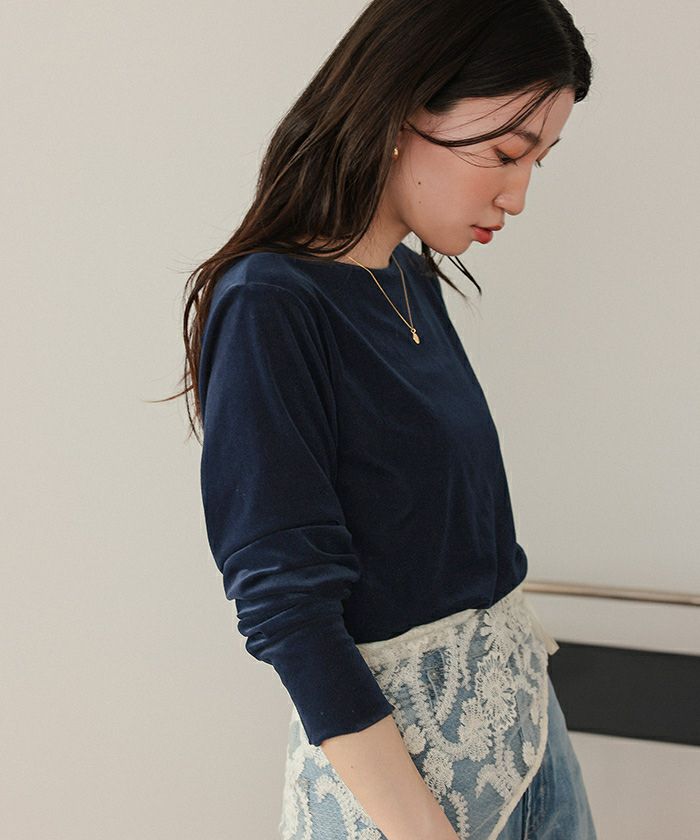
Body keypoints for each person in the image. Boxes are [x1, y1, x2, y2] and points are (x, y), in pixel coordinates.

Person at [170, 0, 599, 837]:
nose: (517, 195)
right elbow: (288, 610)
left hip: (532, 745)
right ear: (404, 108)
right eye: (506, 153)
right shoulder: (269, 303)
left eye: (538, 162)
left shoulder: (410, 280)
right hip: (407, 800)